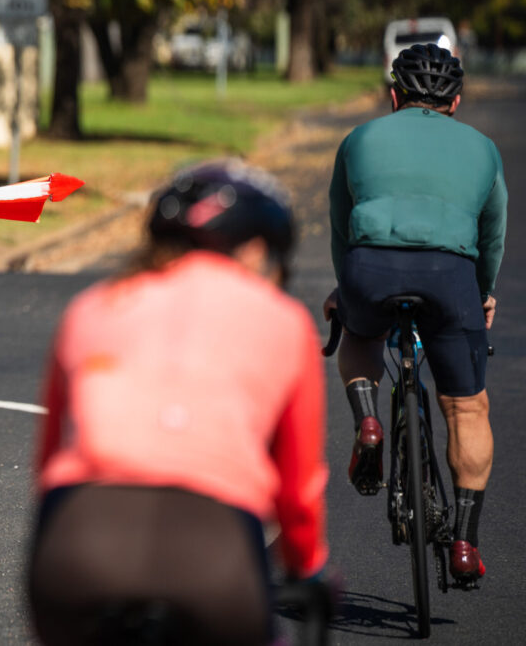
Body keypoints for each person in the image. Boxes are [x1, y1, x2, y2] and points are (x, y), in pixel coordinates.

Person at [28, 161, 327, 646]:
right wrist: (307, 565)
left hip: (77, 544)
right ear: (254, 250)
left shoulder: (92, 305)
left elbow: (47, 459)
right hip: (211, 550)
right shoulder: (284, 320)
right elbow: (298, 485)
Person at [325, 42, 506, 585]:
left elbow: (341, 225)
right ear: (455, 102)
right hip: (450, 278)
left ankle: (369, 420)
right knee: (468, 409)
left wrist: (345, 287)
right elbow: (491, 235)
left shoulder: (358, 139)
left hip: (369, 268)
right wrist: (484, 291)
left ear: (393, 95)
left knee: (359, 332)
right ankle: (466, 544)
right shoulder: (483, 147)